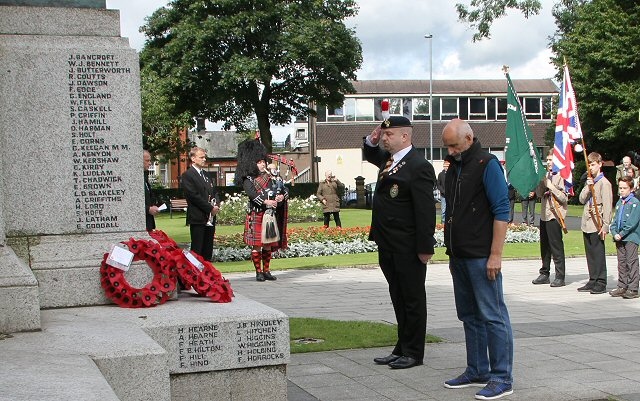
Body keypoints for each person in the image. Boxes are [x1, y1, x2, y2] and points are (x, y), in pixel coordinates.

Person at [441, 119, 514, 400]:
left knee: (493, 316)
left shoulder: (487, 164)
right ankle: (477, 369)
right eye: (447, 146)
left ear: (469, 138)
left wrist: (495, 255)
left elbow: (501, 210)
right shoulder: (456, 166)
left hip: (482, 257)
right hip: (459, 255)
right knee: (469, 315)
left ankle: (502, 377)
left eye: (454, 145)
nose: (450, 151)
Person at [363, 116, 436, 370]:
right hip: (388, 242)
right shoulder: (389, 160)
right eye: (383, 135)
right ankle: (402, 346)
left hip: (408, 244)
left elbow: (426, 211)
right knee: (398, 296)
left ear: (405, 136)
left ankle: (414, 352)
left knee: (412, 298)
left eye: (388, 134)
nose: (384, 138)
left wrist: (426, 247)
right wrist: (371, 142)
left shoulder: (419, 166)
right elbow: (371, 154)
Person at [234, 139, 289, 282]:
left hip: (269, 215)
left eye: (263, 161)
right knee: (257, 245)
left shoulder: (272, 177)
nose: (262, 164)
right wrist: (266, 201)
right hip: (256, 213)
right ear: (251, 163)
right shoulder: (248, 179)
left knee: (268, 244)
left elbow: (284, 190)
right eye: (259, 162)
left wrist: (281, 197)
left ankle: (267, 270)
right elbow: (252, 194)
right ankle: (258, 272)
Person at [532, 150, 568, 287]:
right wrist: (541, 182)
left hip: (555, 215)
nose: (548, 163)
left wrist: (551, 186)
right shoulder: (546, 175)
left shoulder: (562, 176)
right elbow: (540, 194)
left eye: (551, 160)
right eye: (547, 160)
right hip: (544, 214)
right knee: (544, 246)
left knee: (556, 246)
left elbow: (564, 198)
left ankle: (560, 275)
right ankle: (544, 272)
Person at [578, 152, 613, 294]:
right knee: (590, 253)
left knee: (598, 252)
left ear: (599, 164)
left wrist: (605, 225)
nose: (590, 168)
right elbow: (581, 199)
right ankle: (592, 279)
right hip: (587, 222)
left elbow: (607, 206)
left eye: (593, 164)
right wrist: (587, 186)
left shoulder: (604, 183)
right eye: (589, 165)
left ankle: (601, 281)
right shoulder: (590, 181)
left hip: (597, 222)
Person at [181, 147, 220, 261]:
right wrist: (209, 208)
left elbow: (214, 192)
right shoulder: (188, 175)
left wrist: (216, 204)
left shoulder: (207, 175)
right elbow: (193, 196)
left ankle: (207, 275)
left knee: (208, 250)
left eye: (205, 157)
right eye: (201, 157)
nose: (204, 159)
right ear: (193, 158)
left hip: (210, 218)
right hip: (198, 217)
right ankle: (196, 276)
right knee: (197, 249)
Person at [608, 176, 640, 299]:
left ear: (631, 189)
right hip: (619, 237)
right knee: (621, 262)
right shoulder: (619, 203)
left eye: (624, 188)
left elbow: (632, 222)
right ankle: (622, 285)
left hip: (630, 237)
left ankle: (633, 288)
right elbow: (615, 220)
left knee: (631, 262)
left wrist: (621, 234)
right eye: (620, 188)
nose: (621, 190)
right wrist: (614, 230)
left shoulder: (635, 203)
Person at [143, 150, 160, 231]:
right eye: (147, 160)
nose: (150, 163)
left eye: (150, 160)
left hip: (148, 222)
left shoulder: (145, 177)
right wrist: (148, 209)